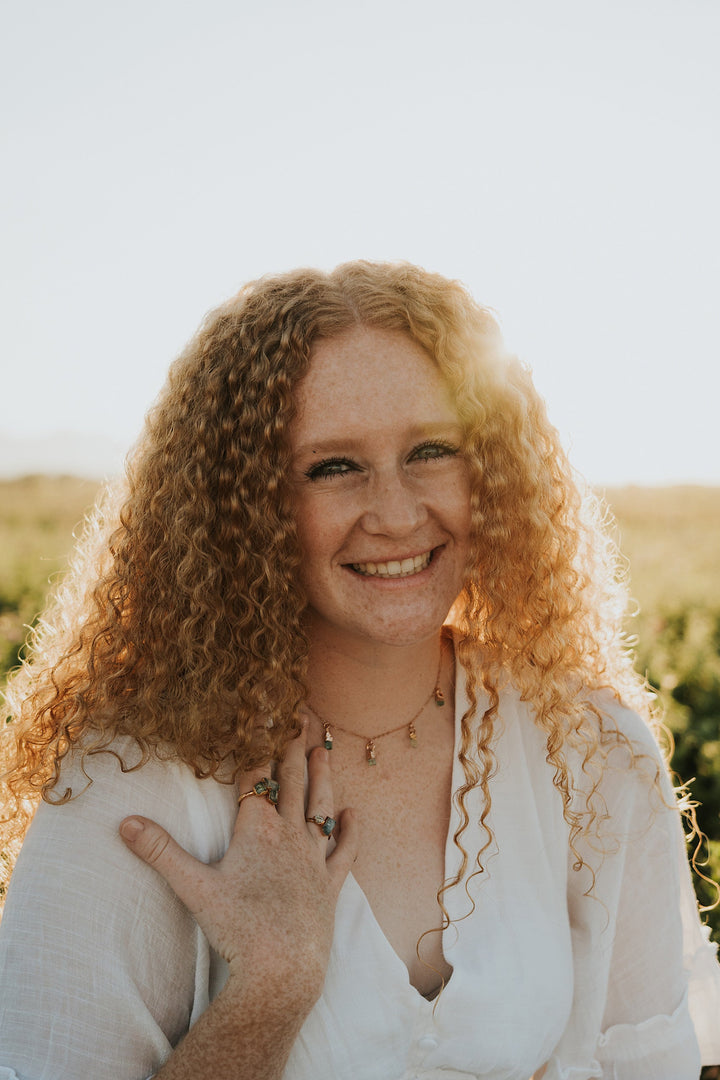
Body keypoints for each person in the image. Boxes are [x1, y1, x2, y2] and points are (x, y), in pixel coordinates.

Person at [0, 261, 718, 1080]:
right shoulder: (128, 787)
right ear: (245, 504)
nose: (399, 512)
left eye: (433, 450)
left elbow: (655, 1059)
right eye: (334, 466)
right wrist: (269, 990)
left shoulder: (587, 749)